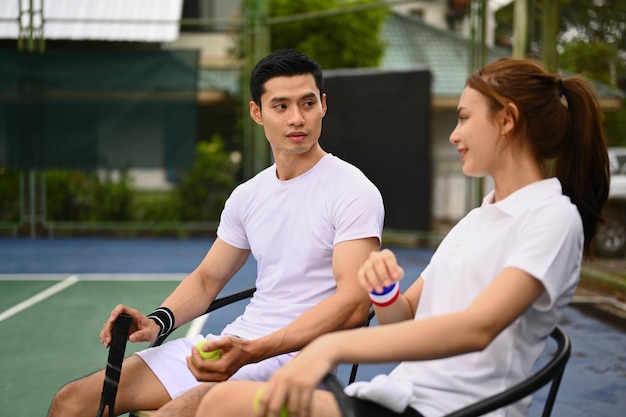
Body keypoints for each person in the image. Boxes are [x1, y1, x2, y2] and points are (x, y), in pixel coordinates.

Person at [193, 57, 610, 417]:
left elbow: (476, 329)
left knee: (221, 405)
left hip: (451, 410)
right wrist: (386, 293)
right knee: (216, 402)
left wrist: (328, 349)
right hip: (399, 399)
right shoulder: (478, 218)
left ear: (507, 120)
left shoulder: (552, 218)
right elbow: (404, 318)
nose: (454, 134)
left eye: (464, 117)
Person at [46, 49, 384, 417]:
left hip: (300, 363)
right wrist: (158, 321)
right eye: (281, 106)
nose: (297, 118)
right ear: (258, 113)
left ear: (323, 104)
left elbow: (354, 304)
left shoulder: (352, 190)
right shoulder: (248, 195)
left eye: (306, 103)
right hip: (233, 347)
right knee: (72, 402)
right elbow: (208, 279)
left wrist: (253, 351)